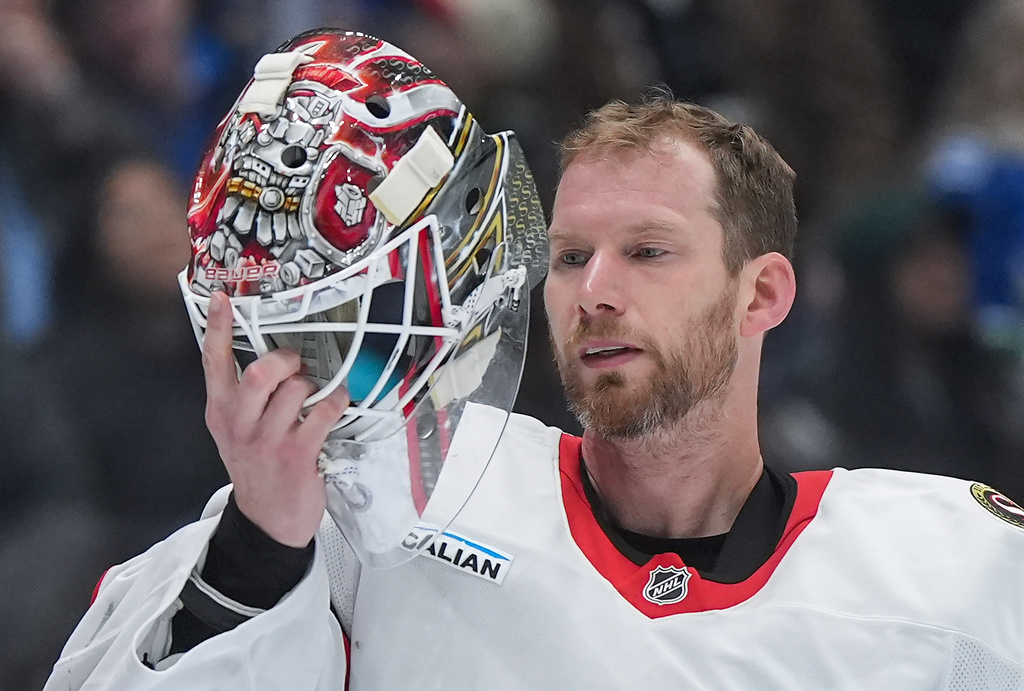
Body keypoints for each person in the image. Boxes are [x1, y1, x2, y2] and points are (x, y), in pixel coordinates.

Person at [46, 29, 1024, 690]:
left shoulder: (949, 572)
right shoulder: (372, 510)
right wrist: (260, 547)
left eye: (646, 251)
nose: (595, 288)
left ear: (761, 293)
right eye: (568, 256)